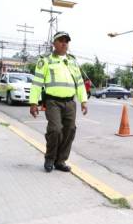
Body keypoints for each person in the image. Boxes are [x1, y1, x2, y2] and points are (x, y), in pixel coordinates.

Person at [29, 31, 88, 173]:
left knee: (70, 130)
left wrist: (83, 101)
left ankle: (60, 161)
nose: (64, 43)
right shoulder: (45, 60)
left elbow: (79, 82)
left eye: (66, 41)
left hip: (70, 103)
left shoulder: (72, 61)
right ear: (54, 43)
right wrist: (33, 103)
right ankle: (50, 158)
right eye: (61, 40)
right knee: (55, 130)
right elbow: (37, 83)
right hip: (53, 102)